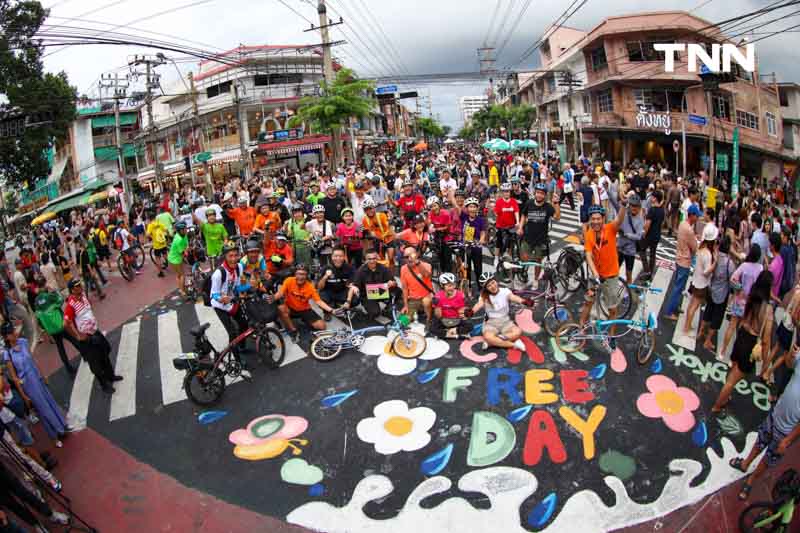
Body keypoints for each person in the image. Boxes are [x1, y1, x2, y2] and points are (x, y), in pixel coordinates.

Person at [729, 347, 800, 500]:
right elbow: (788, 365)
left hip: (786, 432)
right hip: (775, 415)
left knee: (768, 459)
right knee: (760, 442)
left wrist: (787, 441)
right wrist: (792, 355)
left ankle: (750, 480)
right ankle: (745, 464)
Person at [712, 270, 774, 414]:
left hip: (741, 337)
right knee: (732, 380)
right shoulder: (768, 309)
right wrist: (765, 364)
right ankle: (717, 405)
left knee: (732, 373)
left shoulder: (751, 298)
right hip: (751, 343)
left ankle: (725, 396)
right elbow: (766, 339)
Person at [2, 322, 68, 447]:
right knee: (42, 410)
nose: (13, 333)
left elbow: (32, 360)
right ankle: (55, 436)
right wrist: (24, 395)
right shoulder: (8, 354)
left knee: (49, 401)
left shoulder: (23, 342)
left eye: (13, 331)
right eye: (10, 333)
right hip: (28, 384)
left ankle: (62, 426)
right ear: (6, 337)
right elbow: (15, 378)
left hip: (37, 377)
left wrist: (43, 375)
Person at [579, 195, 629, 342]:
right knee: (588, 301)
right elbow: (588, 255)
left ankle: (611, 335)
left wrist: (623, 206)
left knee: (612, 309)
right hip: (596, 276)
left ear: (603, 219)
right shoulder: (589, 234)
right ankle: (581, 325)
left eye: (598, 218)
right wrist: (595, 274)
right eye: (592, 219)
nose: (595, 221)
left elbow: (619, 220)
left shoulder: (610, 229)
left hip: (611, 276)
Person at [62, 279, 120, 393]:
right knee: (95, 364)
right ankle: (104, 386)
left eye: (80, 284)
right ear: (72, 290)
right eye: (77, 286)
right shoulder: (70, 305)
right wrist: (78, 336)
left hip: (95, 331)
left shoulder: (83, 296)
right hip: (86, 339)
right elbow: (65, 324)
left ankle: (110, 375)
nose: (80, 286)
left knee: (105, 351)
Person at [209, 243, 250, 363]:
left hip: (232, 302)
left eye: (236, 255)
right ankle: (237, 360)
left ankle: (241, 347)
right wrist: (221, 298)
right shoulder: (218, 274)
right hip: (220, 305)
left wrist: (249, 286)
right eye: (230, 256)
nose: (233, 259)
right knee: (232, 331)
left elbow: (236, 288)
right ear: (225, 256)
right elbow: (213, 294)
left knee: (244, 324)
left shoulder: (239, 267)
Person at [274, 264, 334, 342]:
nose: (301, 277)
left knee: (322, 326)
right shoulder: (289, 280)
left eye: (303, 274)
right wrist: (272, 298)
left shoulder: (310, 287)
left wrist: (331, 310)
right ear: (295, 274)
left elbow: (319, 301)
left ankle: (305, 320)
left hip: (305, 309)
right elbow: (280, 293)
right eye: (299, 274)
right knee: (281, 308)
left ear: (306, 276)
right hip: (290, 308)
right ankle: (293, 330)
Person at [470, 273, 527, 350]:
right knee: (488, 336)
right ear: (486, 288)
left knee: (518, 332)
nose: (492, 286)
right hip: (491, 322)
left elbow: (514, 297)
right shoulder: (484, 296)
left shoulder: (505, 291)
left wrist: (524, 301)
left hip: (505, 321)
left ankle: (492, 342)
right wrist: (471, 311)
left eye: (493, 283)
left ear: (496, 281)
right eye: (489, 286)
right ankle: (514, 344)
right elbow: (478, 304)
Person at [663, 204, 701, 320]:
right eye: (697, 216)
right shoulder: (688, 229)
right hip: (684, 261)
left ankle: (675, 307)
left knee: (679, 286)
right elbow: (695, 248)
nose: (698, 218)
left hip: (679, 258)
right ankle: (669, 311)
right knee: (678, 287)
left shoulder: (682, 224)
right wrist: (695, 239)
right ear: (692, 215)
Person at [699, 235, 736, 352]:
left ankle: (700, 332)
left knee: (708, 311)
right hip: (722, 293)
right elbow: (732, 280)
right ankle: (708, 340)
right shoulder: (730, 263)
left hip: (711, 288)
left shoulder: (714, 256)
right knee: (716, 318)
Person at [518, 183, 560, 285]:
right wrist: (520, 227)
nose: (539, 195)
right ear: (535, 193)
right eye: (537, 193)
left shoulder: (548, 207)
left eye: (541, 193)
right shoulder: (529, 203)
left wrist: (556, 203)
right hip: (528, 237)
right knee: (524, 258)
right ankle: (524, 271)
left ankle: (536, 279)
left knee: (538, 261)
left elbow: (557, 217)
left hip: (541, 239)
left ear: (545, 195)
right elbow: (523, 215)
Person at [683, 224, 718, 337]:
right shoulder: (707, 254)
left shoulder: (701, 248)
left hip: (695, 280)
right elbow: (706, 271)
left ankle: (687, 325)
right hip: (701, 284)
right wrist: (715, 263)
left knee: (691, 304)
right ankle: (686, 328)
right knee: (694, 306)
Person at [352, 249, 400, 317]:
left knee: (398, 291)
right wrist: (355, 288)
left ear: (377, 258)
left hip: (381, 291)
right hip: (368, 295)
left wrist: (392, 283)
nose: (372, 261)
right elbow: (356, 285)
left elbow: (394, 282)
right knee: (375, 313)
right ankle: (370, 307)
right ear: (365, 260)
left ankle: (388, 308)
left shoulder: (383, 268)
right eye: (369, 259)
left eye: (374, 258)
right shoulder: (360, 271)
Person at [317, 246, 355, 321]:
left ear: (344, 257)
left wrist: (348, 301)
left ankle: (340, 304)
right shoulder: (325, 268)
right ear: (331, 257)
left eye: (340, 256)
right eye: (335, 256)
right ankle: (327, 311)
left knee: (355, 299)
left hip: (342, 291)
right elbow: (319, 287)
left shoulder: (349, 268)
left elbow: (352, 286)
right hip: (329, 292)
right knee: (320, 297)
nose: (338, 259)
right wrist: (325, 277)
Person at [399, 245, 434, 327]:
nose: (409, 258)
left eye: (411, 255)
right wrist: (405, 305)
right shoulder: (403, 269)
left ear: (416, 255)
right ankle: (417, 311)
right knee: (402, 322)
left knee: (426, 301)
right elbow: (404, 288)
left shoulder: (426, 265)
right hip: (413, 299)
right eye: (406, 257)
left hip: (427, 296)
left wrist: (417, 262)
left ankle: (429, 319)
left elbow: (426, 275)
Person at [616, 193, 645, 286]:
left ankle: (628, 294)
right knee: (615, 270)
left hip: (630, 251)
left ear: (639, 207)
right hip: (620, 248)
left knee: (629, 274)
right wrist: (607, 190)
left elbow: (639, 236)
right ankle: (612, 289)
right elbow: (615, 204)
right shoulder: (624, 213)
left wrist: (628, 235)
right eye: (632, 205)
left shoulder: (640, 219)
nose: (634, 208)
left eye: (636, 206)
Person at [431, 272, 468, 339]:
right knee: (432, 328)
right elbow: (438, 316)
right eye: (449, 286)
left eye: (453, 285)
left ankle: (447, 333)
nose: (452, 288)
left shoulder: (460, 295)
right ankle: (455, 335)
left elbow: (462, 312)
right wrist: (437, 306)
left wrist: (464, 316)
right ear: (442, 286)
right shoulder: (438, 296)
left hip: (456, 319)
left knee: (470, 325)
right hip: (444, 319)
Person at [493, 182, 521, 267]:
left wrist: (517, 222)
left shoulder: (513, 201)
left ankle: (508, 257)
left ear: (510, 192)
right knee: (499, 242)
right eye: (504, 191)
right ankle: (496, 257)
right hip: (501, 226)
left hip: (511, 226)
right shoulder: (499, 202)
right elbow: (496, 213)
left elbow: (516, 211)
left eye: (508, 191)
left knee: (510, 243)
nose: (506, 193)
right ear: (502, 192)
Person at [361, 197, 395, 266]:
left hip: (388, 239)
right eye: (366, 209)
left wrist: (382, 236)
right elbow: (369, 234)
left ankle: (391, 275)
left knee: (391, 258)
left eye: (370, 208)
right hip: (377, 241)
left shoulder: (381, 215)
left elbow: (389, 228)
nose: (369, 211)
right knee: (380, 261)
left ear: (374, 208)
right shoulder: (364, 220)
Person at [640, 190, 665, 278]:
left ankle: (647, 270)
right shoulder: (662, 210)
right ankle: (650, 271)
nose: (651, 198)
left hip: (649, 235)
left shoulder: (652, 210)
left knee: (641, 250)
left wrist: (643, 233)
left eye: (652, 197)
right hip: (657, 235)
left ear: (655, 199)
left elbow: (647, 224)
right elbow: (661, 223)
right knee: (652, 253)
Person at [168, 221, 190, 299]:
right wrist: (186, 252)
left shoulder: (184, 235)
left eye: (185, 228)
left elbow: (186, 243)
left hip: (175, 257)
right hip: (175, 259)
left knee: (179, 275)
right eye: (183, 229)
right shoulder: (178, 239)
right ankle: (182, 291)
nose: (185, 230)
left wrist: (187, 248)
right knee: (182, 275)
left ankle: (182, 288)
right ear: (179, 231)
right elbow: (183, 253)